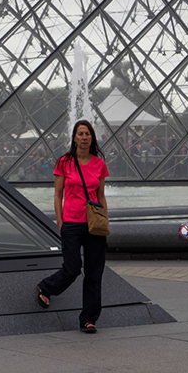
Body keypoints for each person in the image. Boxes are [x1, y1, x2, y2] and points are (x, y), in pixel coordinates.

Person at [36, 119, 109, 334]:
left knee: (94, 274)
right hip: (71, 223)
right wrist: (60, 222)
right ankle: (47, 286)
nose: (84, 137)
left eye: (87, 133)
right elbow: (58, 195)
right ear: (74, 138)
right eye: (80, 134)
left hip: (94, 225)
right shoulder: (64, 162)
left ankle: (88, 319)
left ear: (92, 137)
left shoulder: (99, 164)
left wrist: (104, 220)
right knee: (72, 268)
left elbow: (101, 196)